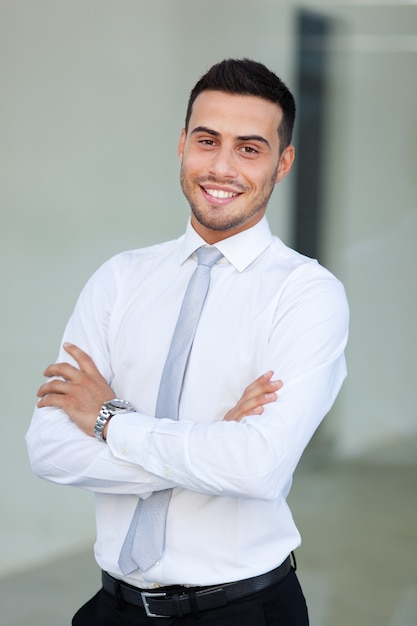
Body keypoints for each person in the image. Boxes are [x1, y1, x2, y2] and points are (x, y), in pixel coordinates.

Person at [26, 58, 349, 625]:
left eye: (249, 148)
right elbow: (48, 448)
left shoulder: (307, 295)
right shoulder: (119, 279)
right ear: (182, 145)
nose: (222, 167)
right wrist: (214, 442)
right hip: (112, 608)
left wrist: (109, 421)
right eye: (207, 141)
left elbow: (258, 470)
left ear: (284, 162)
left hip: (242, 609)